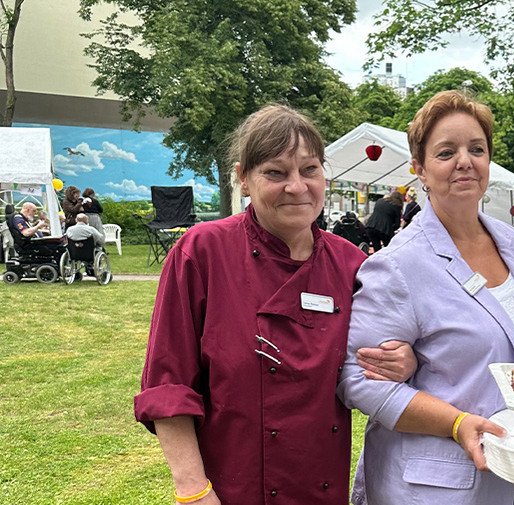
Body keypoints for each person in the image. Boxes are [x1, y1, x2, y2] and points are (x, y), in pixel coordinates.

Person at [134, 104, 414, 505]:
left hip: (320, 485)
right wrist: (193, 490)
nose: (297, 186)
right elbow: (168, 385)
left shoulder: (353, 265)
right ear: (243, 179)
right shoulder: (202, 252)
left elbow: (380, 357)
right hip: (230, 489)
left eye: (309, 170)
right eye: (275, 172)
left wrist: (403, 360)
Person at [338, 90, 514, 505]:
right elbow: (356, 380)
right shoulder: (399, 265)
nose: (465, 161)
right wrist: (455, 423)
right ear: (419, 169)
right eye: (446, 152)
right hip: (442, 485)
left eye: (476, 149)